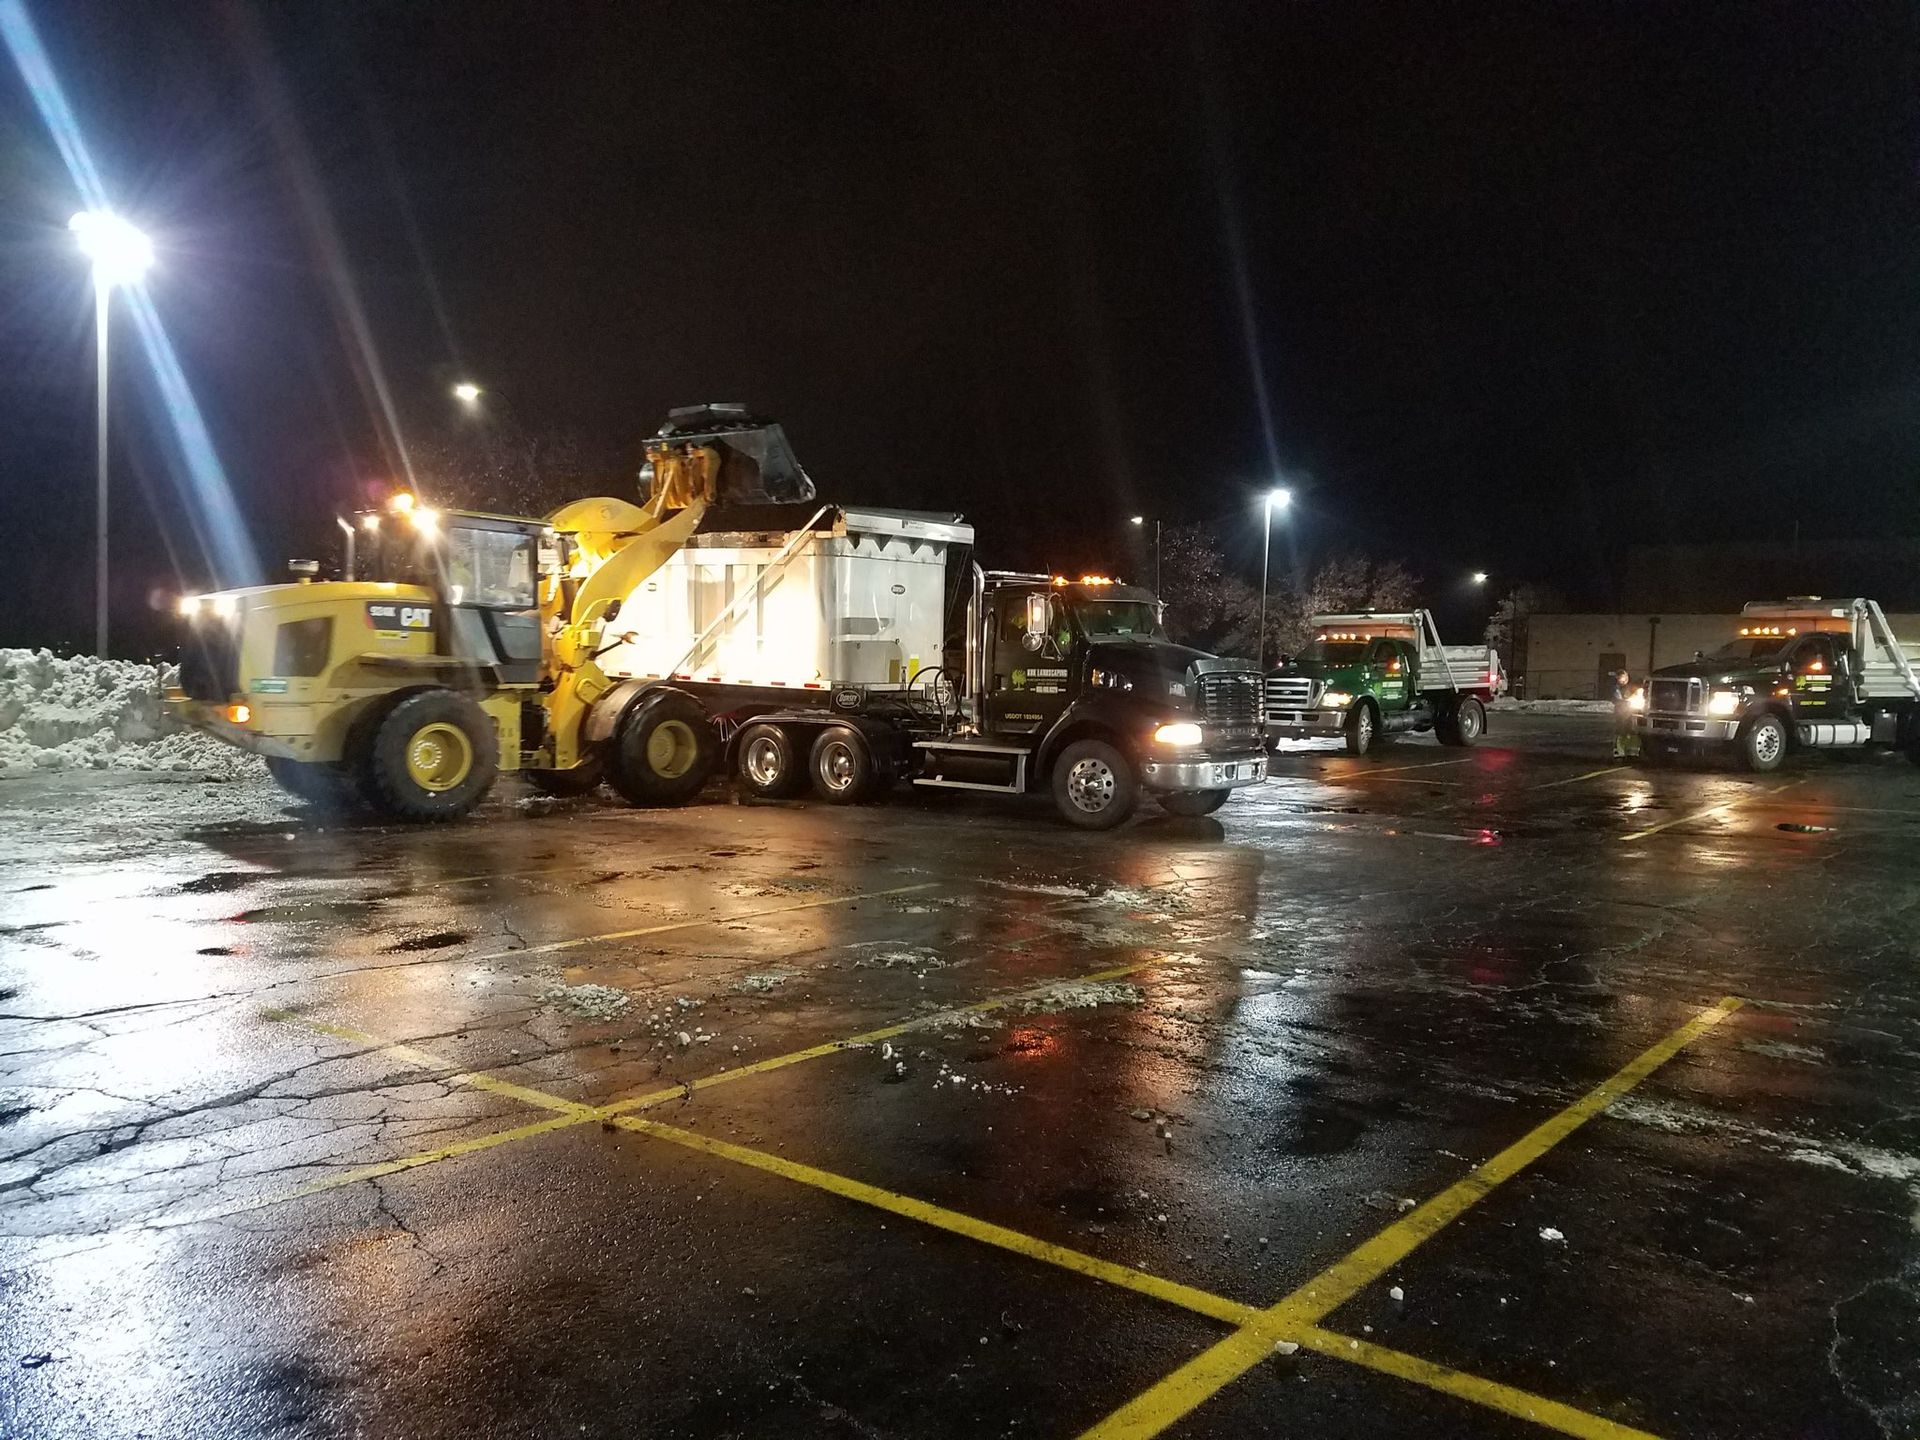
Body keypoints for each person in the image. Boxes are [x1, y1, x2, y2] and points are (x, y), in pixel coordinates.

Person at [1611, 669, 1641, 759]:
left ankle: (1633, 752)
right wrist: (1626, 701)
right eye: (1620, 678)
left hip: (1632, 712)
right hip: (1621, 713)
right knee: (1621, 732)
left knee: (1633, 732)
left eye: (1624, 678)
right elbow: (1617, 699)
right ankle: (1620, 752)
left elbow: (1638, 693)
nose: (1623, 680)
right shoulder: (1616, 688)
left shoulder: (1631, 687)